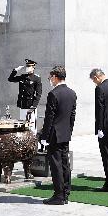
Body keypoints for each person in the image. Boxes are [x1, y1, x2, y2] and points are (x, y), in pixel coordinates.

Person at [38, 66, 76, 205]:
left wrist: (44, 136)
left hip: (54, 135)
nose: (50, 80)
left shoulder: (53, 94)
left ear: (55, 77)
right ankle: (65, 193)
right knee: (65, 164)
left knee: (56, 165)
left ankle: (59, 195)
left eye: (50, 77)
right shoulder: (72, 93)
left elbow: (49, 118)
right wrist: (69, 131)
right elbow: (72, 116)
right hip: (65, 133)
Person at [8, 59, 43, 124]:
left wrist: (34, 106)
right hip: (23, 104)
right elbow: (10, 79)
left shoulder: (36, 78)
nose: (27, 68)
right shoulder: (23, 77)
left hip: (30, 105)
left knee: (31, 125)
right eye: (27, 66)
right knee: (24, 124)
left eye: (29, 66)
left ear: (33, 67)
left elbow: (38, 93)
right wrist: (15, 70)